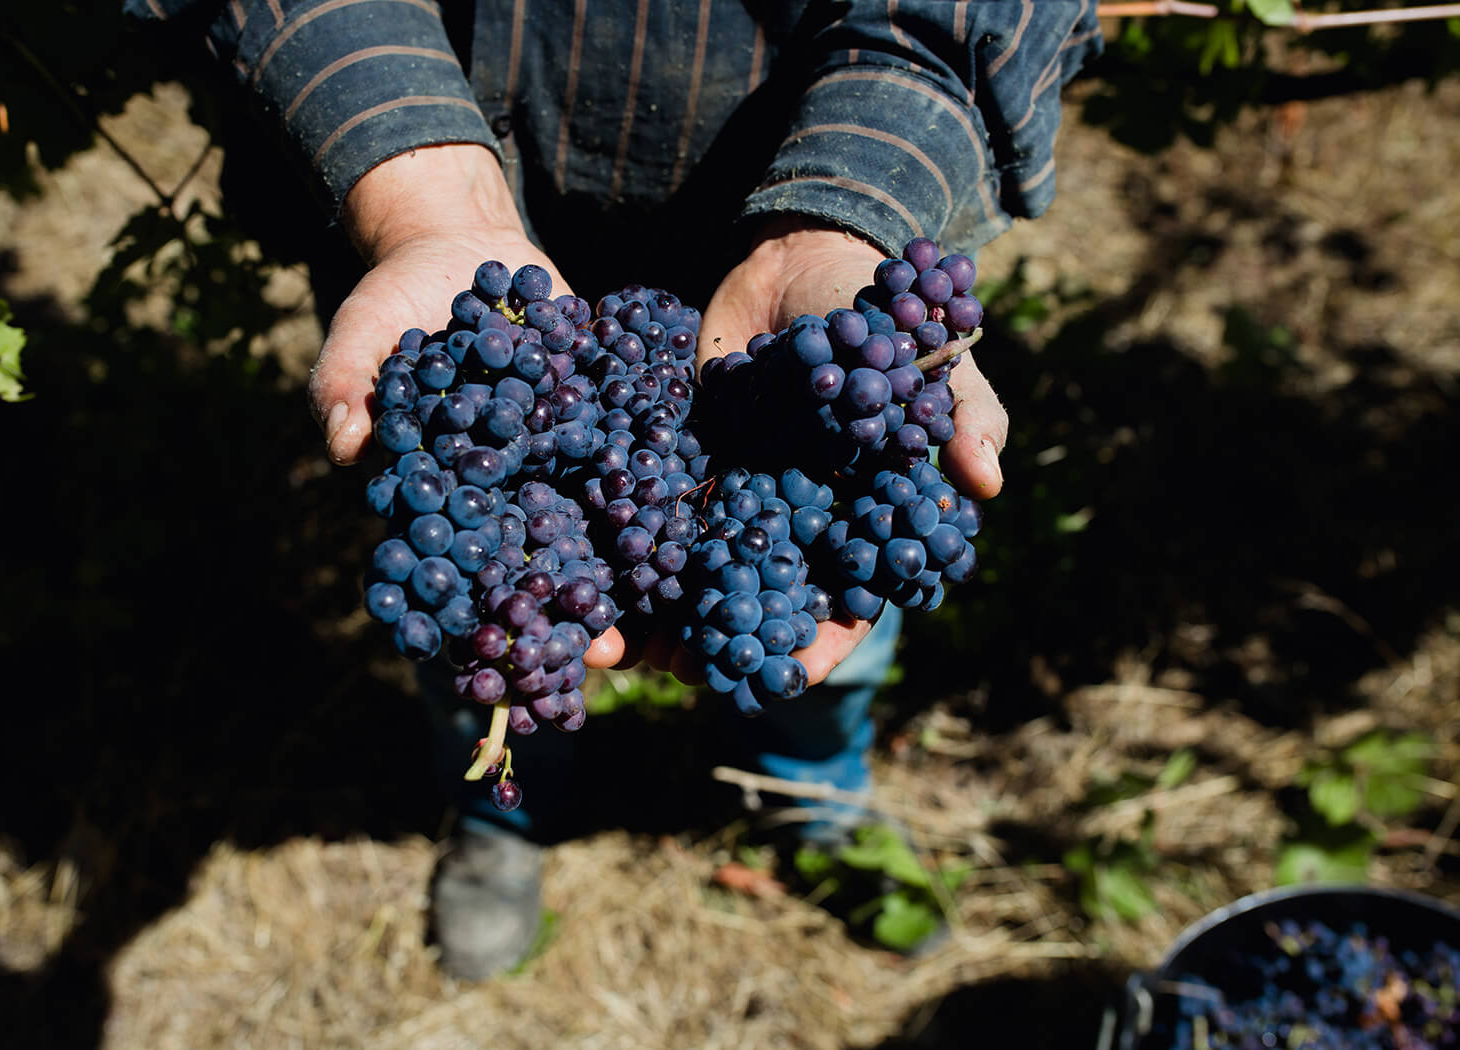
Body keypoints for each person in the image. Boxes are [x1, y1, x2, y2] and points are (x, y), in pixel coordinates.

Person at [126, 0, 1103, 980]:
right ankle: (505, 807)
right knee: (481, 591)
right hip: (469, 223)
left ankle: (817, 801)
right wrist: (426, 201)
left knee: (828, 597)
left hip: (781, 269)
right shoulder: (498, 357)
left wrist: (849, 210)